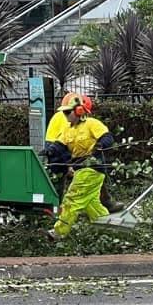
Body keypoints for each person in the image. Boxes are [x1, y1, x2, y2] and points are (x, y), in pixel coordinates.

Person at [49, 94, 115, 239]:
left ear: (79, 110)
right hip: (80, 169)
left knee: (71, 199)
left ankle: (58, 233)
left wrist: (99, 145)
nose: (65, 115)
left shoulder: (92, 124)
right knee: (91, 204)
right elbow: (60, 144)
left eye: (67, 112)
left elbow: (107, 137)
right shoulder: (68, 129)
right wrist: (51, 149)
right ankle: (111, 229)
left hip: (92, 168)